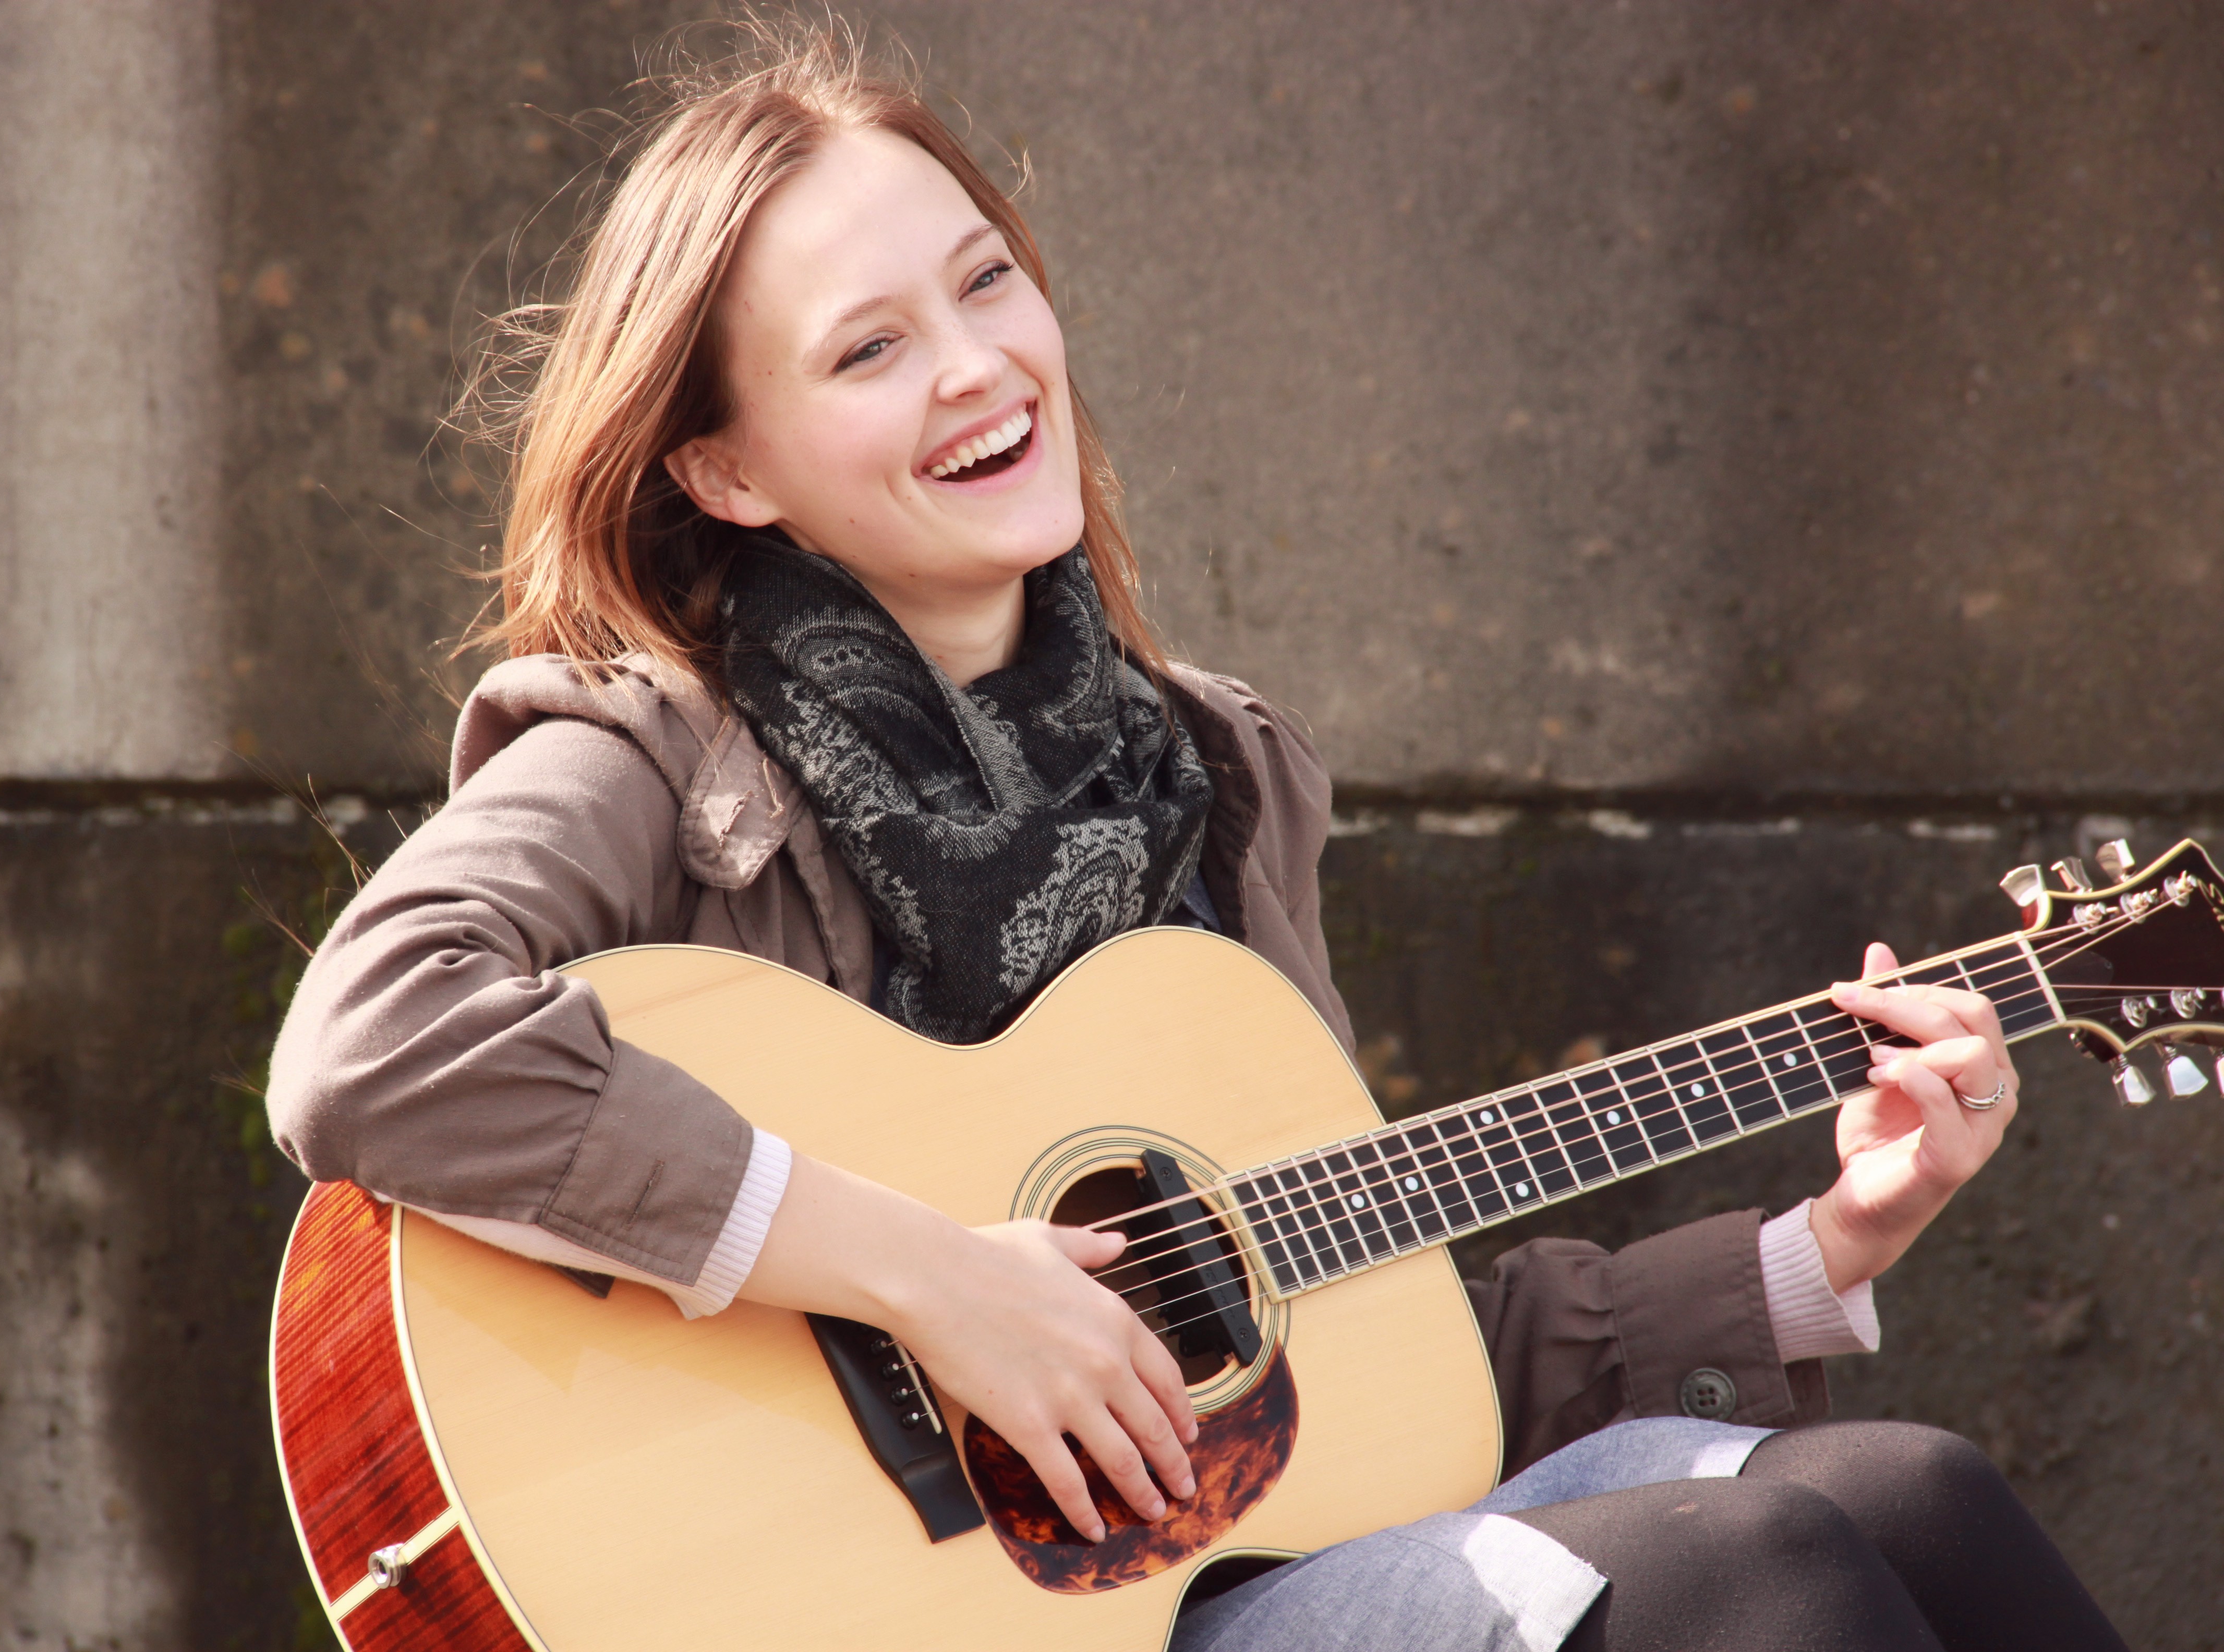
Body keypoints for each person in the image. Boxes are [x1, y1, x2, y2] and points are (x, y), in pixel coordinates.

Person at [265, 17, 2128, 1650]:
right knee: (1754, 1567)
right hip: (947, 1611)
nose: (981, 365)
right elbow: (371, 1041)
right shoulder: (653, 756)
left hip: (1240, 1553)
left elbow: (1359, 1347)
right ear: (729, 471)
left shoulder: (1210, 773)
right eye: (870, 350)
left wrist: (1829, 1243)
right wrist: (938, 1281)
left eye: (990, 280)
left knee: (1913, 1499)